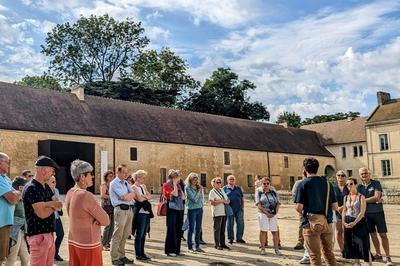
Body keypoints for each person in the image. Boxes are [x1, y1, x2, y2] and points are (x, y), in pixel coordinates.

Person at [294, 157, 338, 266]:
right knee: (329, 254)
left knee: (314, 256)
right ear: (317, 168)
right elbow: (335, 206)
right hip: (327, 222)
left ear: (305, 168)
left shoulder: (302, 184)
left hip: (310, 223)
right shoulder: (328, 184)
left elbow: (299, 207)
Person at [65, 160, 109, 266]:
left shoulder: (70, 192)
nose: (92, 177)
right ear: (82, 177)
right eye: (90, 174)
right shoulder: (86, 195)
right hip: (89, 243)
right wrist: (95, 220)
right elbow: (106, 220)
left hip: (74, 240)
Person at [22, 155, 62, 266]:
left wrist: (47, 204)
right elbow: (42, 214)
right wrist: (52, 205)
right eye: (52, 170)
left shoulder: (46, 187)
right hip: (38, 236)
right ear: (44, 169)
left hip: (49, 235)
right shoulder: (31, 188)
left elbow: (58, 205)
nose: (53, 173)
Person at [357, 168, 393, 266]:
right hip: (366, 214)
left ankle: (388, 257)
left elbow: (377, 197)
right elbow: (357, 199)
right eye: (362, 174)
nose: (364, 175)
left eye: (366, 173)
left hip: (378, 213)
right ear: (360, 175)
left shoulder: (376, 183)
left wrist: (363, 200)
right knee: (373, 235)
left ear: (369, 174)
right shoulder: (359, 187)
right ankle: (378, 253)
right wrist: (368, 200)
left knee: (383, 235)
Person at [109, 164, 136, 266]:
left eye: (126, 172)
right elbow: (123, 197)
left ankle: (122, 256)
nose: (126, 174)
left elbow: (133, 194)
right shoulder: (114, 183)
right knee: (118, 235)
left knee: (125, 235)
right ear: (118, 172)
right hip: (120, 210)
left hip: (128, 210)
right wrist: (128, 196)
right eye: (123, 172)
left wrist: (128, 196)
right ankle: (114, 258)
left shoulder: (125, 183)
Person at [342, 178, 372, 266]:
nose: (349, 186)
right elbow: (344, 210)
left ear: (355, 184)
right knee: (352, 242)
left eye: (351, 184)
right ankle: (357, 262)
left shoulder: (361, 197)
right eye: (347, 185)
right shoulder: (346, 197)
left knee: (363, 243)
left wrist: (354, 223)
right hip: (347, 220)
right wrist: (343, 222)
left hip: (359, 221)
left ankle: (369, 263)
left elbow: (362, 212)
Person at [0, 152, 20, 265]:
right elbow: (13, 198)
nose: (9, 165)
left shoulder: (5, 179)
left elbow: (18, 195)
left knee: (2, 257)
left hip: (5, 223)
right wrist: (15, 194)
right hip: (1, 224)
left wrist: (15, 194)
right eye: (7, 162)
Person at [5, 176, 29, 266]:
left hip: (21, 230)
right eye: (25, 186)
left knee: (26, 258)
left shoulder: (22, 198)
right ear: (20, 187)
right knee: (12, 258)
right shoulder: (14, 197)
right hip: (14, 231)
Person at [256, 177, 281, 256]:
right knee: (263, 231)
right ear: (261, 184)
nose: (266, 185)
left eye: (267, 183)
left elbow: (278, 202)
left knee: (275, 231)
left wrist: (275, 213)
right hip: (263, 214)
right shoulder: (259, 191)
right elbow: (258, 204)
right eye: (264, 183)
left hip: (273, 214)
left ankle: (276, 249)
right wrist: (267, 213)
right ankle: (263, 249)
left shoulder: (273, 191)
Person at [163, 169, 185, 257]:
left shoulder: (179, 185)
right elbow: (175, 194)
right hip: (171, 209)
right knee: (171, 229)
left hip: (179, 209)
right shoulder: (166, 185)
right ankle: (169, 250)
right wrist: (175, 185)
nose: (179, 179)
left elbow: (183, 197)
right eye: (178, 177)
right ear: (173, 178)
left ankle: (177, 250)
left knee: (178, 229)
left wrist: (178, 186)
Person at [132, 170, 153, 261]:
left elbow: (150, 196)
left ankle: (142, 252)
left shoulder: (143, 186)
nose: (144, 179)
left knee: (144, 233)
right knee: (139, 233)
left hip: (146, 212)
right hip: (140, 212)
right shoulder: (133, 187)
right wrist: (145, 196)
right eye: (143, 177)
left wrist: (144, 196)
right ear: (137, 178)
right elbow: (140, 199)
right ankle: (138, 254)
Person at [185, 172, 205, 253]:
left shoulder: (198, 187)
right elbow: (194, 199)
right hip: (192, 210)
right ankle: (190, 247)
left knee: (198, 228)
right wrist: (198, 191)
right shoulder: (187, 188)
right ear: (190, 179)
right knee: (191, 228)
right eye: (194, 179)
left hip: (199, 209)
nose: (196, 181)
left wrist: (201, 204)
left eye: (197, 179)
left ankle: (197, 246)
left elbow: (201, 199)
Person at [209, 176, 230, 251]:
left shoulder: (222, 190)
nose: (219, 183)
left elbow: (227, 200)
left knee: (222, 229)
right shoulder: (212, 191)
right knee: (217, 229)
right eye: (217, 182)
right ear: (213, 184)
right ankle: (216, 244)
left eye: (220, 182)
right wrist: (222, 201)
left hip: (224, 212)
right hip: (217, 212)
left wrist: (225, 201)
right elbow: (212, 202)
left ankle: (222, 243)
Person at [223, 175, 245, 244]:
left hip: (239, 209)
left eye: (233, 179)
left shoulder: (238, 188)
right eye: (230, 179)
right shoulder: (224, 188)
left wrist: (242, 207)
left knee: (240, 223)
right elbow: (223, 199)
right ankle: (230, 238)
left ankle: (239, 238)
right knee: (230, 224)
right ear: (227, 180)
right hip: (229, 209)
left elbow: (241, 198)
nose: (231, 180)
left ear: (234, 180)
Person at [47, 175, 64, 261]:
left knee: (61, 234)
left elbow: (58, 203)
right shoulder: (44, 191)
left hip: (56, 216)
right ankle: (50, 254)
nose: (55, 183)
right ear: (47, 182)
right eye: (53, 182)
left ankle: (55, 253)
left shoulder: (56, 190)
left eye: (55, 181)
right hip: (48, 218)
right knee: (49, 237)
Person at [333, 170, 349, 252]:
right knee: (339, 231)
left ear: (346, 177)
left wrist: (342, 207)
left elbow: (353, 199)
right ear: (336, 177)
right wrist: (337, 208)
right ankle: (343, 250)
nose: (340, 177)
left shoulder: (349, 187)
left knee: (348, 232)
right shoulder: (333, 188)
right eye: (338, 175)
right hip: (337, 213)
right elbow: (330, 200)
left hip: (348, 213)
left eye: (343, 175)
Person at [101, 170, 115, 251]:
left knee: (112, 226)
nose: (111, 177)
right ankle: (104, 243)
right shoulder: (104, 185)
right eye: (109, 176)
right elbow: (103, 195)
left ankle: (108, 242)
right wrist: (112, 196)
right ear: (106, 177)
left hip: (113, 206)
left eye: (112, 176)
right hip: (106, 206)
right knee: (107, 225)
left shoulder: (112, 185)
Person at [292, 177, 305, 250]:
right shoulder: (298, 183)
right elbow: (293, 193)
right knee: (302, 224)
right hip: (302, 207)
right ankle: (300, 241)